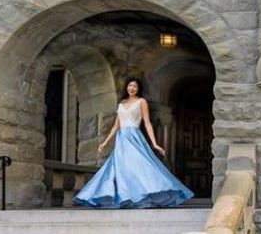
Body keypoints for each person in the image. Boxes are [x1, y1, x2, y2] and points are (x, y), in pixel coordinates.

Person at [73, 77, 194, 208]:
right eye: (130, 86)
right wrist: (105, 142)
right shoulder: (121, 103)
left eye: (135, 87)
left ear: (138, 89)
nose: (132, 88)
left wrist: (154, 143)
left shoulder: (142, 102)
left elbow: (147, 123)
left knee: (140, 166)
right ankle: (125, 198)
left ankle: (145, 194)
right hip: (121, 139)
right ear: (127, 87)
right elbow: (115, 126)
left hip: (134, 136)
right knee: (121, 168)